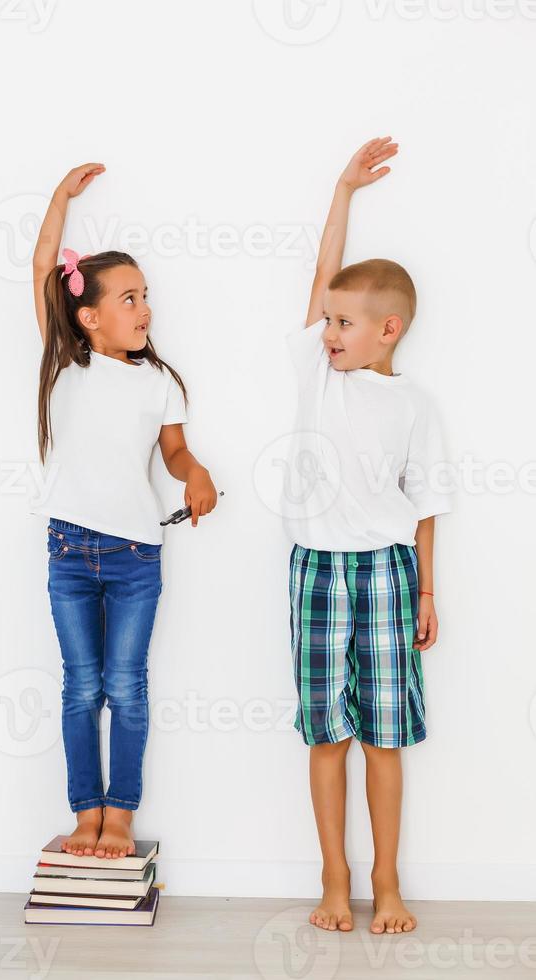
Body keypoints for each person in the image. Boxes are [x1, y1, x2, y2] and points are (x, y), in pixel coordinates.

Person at [282, 137, 454, 933]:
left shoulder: (415, 405)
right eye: (326, 321)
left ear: (387, 329)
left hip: (386, 572)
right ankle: (334, 878)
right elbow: (325, 277)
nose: (328, 331)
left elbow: (424, 506)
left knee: (384, 737)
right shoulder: (318, 375)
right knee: (329, 734)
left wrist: (425, 588)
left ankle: (388, 881)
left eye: (344, 323)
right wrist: (342, 189)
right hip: (316, 569)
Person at [30, 163, 218, 860]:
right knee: (82, 687)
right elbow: (44, 265)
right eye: (129, 298)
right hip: (69, 551)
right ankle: (86, 811)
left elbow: (174, 454)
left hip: (136, 555)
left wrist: (195, 473)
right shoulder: (65, 362)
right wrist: (59, 200)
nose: (144, 309)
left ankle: (121, 813)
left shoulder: (160, 382)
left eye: (146, 297)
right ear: (89, 315)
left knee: (126, 688)